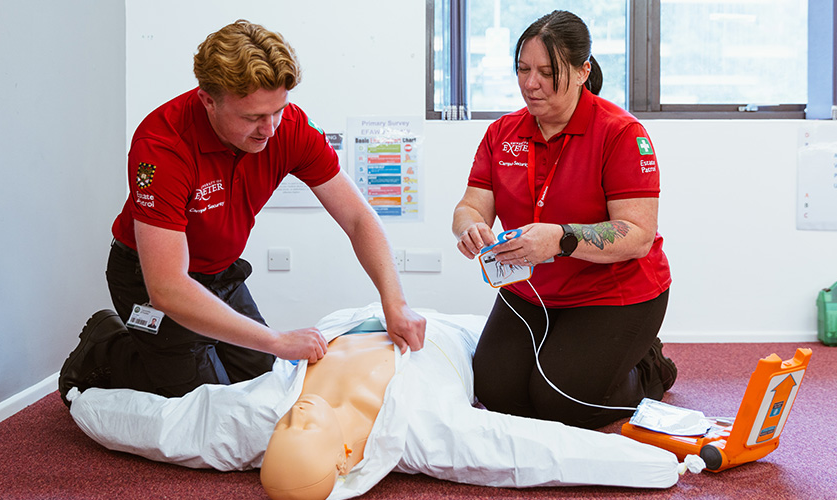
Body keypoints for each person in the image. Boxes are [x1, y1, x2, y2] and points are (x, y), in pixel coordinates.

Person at [57, 20, 425, 406]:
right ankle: (105, 346)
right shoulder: (162, 145)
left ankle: (188, 351)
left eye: (277, 111)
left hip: (220, 272)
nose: (269, 129)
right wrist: (277, 340)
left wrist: (394, 301)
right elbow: (166, 287)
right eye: (252, 118)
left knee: (266, 382)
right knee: (210, 402)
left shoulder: (290, 127)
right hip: (148, 280)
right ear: (208, 100)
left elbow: (358, 218)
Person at [67, 304, 697, 500]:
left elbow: (163, 426)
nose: (296, 419)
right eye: (302, 438)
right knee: (548, 377)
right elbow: (532, 452)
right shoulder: (426, 432)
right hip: (448, 341)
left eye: (286, 430)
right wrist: (662, 465)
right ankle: (649, 360)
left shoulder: (253, 421)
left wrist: (79, 399)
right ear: (343, 457)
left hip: (360, 314)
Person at [451, 10, 675, 430]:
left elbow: (638, 234)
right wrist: (469, 227)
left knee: (562, 403)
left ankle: (650, 367)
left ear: (581, 70)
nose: (530, 83)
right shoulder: (503, 133)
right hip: (531, 290)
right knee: (497, 394)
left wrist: (560, 238)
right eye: (522, 69)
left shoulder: (622, 134)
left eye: (546, 72)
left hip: (613, 293)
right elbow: (470, 205)